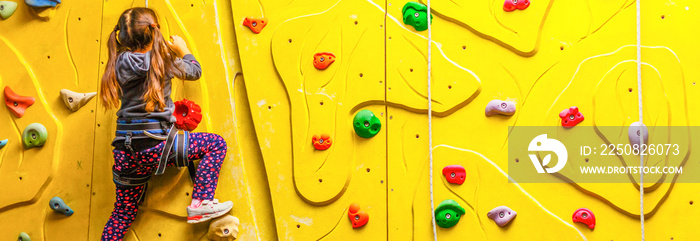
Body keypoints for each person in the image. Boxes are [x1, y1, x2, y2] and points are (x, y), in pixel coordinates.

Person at [99, 7, 233, 241]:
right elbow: (194, 71)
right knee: (216, 144)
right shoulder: (163, 60)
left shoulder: (118, 61)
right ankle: (201, 201)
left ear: (121, 35)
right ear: (154, 31)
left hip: (125, 152)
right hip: (158, 145)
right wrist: (184, 51)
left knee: (122, 213)